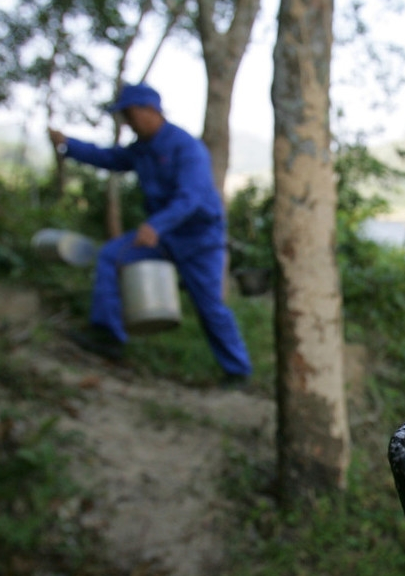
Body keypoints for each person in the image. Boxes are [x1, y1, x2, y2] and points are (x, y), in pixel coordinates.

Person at [48, 83, 252, 386]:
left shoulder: (186, 148)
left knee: (210, 306)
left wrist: (156, 225)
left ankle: (237, 371)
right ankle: (109, 336)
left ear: (149, 110)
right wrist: (69, 145)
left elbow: (191, 197)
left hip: (200, 239)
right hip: (162, 236)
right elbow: (108, 158)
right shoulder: (141, 149)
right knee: (112, 255)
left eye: (129, 115)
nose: (127, 122)